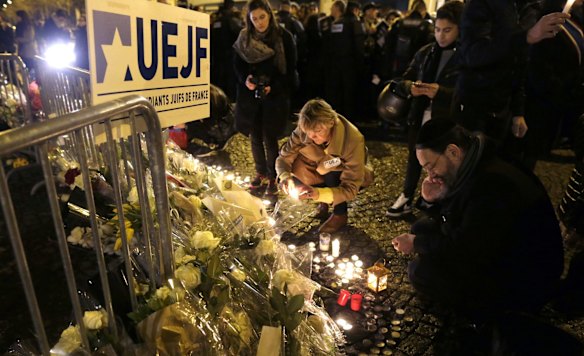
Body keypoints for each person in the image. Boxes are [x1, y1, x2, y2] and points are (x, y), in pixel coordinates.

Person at [391, 120, 564, 318]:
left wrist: (417, 244)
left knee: (420, 271)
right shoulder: (476, 161)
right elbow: (460, 215)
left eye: (431, 166)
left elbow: (466, 249)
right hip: (495, 246)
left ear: (453, 152)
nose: (430, 174)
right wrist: (434, 199)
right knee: (421, 228)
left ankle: (482, 314)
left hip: (525, 278)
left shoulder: (491, 185)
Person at [456, 0, 570, 152]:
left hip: (503, 109)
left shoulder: (531, 6)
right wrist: (526, 37)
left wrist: (518, 111)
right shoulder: (483, 3)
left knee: (490, 168)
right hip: (474, 104)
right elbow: (473, 54)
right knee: (464, 166)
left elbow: (519, 62)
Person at [386, 1, 463, 217]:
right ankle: (407, 195)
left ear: (460, 29)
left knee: (443, 162)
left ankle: (440, 201)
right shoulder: (426, 52)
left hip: (447, 120)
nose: (441, 36)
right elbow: (402, 80)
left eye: (447, 30)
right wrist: (410, 87)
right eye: (438, 30)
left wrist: (441, 92)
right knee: (415, 157)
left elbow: (468, 93)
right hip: (419, 115)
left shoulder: (466, 56)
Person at [276, 99, 374, 233]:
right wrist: (285, 177)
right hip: (319, 162)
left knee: (330, 169)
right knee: (300, 164)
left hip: (344, 167)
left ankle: (340, 214)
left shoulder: (353, 140)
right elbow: (284, 157)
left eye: (317, 131)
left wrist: (318, 194)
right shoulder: (307, 128)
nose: (311, 136)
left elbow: (350, 187)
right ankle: (325, 201)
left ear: (331, 123)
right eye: (308, 132)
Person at [233, 0, 297, 195]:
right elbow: (236, 64)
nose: (259, 22)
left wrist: (273, 86)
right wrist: (246, 80)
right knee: (255, 136)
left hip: (274, 95)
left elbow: (290, 67)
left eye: (262, 17)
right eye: (255, 19)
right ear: (249, 20)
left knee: (270, 136)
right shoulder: (244, 37)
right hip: (250, 96)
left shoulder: (282, 37)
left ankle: (273, 175)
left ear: (270, 14)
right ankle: (260, 172)